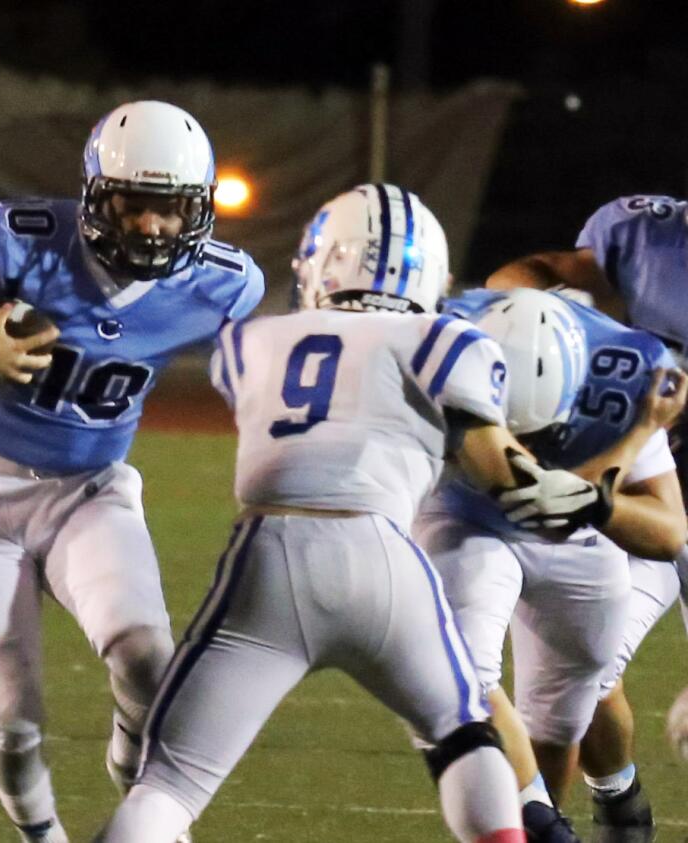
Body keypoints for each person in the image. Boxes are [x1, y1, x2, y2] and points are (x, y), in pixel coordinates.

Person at [94, 184, 616, 843]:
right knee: (462, 733)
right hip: (384, 559)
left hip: (270, 553)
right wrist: (574, 493)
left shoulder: (253, 343)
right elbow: (503, 474)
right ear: (426, 270)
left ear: (324, 263)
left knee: (165, 786)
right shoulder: (445, 339)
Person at [0, 99, 264, 842]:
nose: (152, 225)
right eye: (134, 203)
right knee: (13, 722)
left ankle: (133, 768)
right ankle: (42, 834)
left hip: (91, 490)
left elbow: (260, 372)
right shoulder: (23, 242)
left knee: (148, 657)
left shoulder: (224, 285)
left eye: (171, 209)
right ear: (95, 195)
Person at [416, 287, 686, 842]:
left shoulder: (626, 377)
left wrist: (627, 450)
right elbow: (527, 491)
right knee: (462, 679)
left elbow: (668, 533)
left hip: (580, 537)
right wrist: (630, 444)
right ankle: (543, 830)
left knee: (564, 716)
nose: (523, 445)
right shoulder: (439, 347)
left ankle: (579, 814)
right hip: (463, 516)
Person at [487, 195, 688, 842]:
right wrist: (559, 319)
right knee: (583, 667)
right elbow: (523, 276)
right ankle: (619, 804)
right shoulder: (645, 234)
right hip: (649, 486)